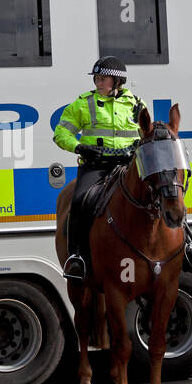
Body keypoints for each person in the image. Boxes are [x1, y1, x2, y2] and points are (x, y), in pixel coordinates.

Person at [53, 57, 149, 280]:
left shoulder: (137, 104)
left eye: (102, 79)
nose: (98, 83)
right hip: (95, 167)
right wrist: (80, 148)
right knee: (78, 202)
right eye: (96, 78)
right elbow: (60, 134)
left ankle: (185, 248)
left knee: (163, 193)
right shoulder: (83, 104)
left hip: (128, 166)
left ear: (117, 81)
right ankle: (76, 257)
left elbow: (147, 134)